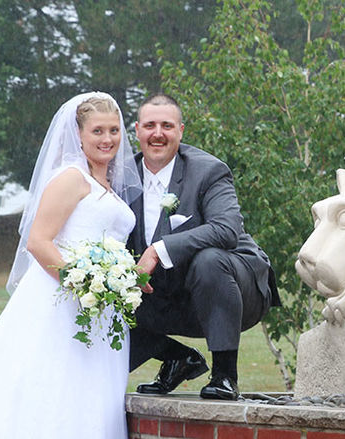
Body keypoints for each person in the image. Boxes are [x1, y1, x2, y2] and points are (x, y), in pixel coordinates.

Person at [0, 92, 142, 438]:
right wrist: (82, 282)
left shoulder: (110, 187)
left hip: (101, 308)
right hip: (62, 300)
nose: (108, 139)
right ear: (79, 135)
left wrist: (117, 282)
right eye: (98, 131)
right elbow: (38, 241)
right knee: (47, 386)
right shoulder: (71, 178)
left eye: (114, 130)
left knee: (90, 394)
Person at [127, 93, 280, 400]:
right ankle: (177, 358)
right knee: (101, 285)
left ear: (181, 131)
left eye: (167, 126)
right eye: (150, 125)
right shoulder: (121, 177)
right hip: (167, 294)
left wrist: (158, 249)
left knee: (209, 260)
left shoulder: (209, 171)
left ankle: (224, 376)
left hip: (234, 287)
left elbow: (227, 230)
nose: (158, 133)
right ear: (137, 130)